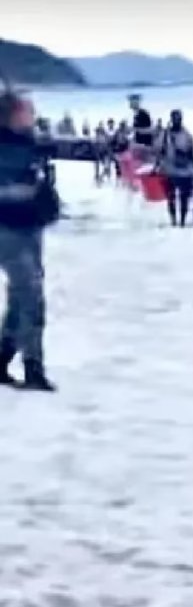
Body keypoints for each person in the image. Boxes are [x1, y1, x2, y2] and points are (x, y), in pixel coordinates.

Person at [0, 87, 60, 392]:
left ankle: (2, 359)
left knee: (20, 297)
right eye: (27, 111)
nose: (32, 116)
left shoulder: (31, 143)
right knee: (31, 295)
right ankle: (33, 367)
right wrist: (29, 192)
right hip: (6, 229)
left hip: (30, 226)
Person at [158, 109, 193, 227]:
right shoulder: (166, 135)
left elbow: (192, 153)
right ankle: (174, 220)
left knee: (184, 197)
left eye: (178, 118)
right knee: (171, 197)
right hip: (170, 170)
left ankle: (182, 221)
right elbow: (159, 151)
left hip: (184, 170)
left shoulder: (187, 135)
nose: (177, 120)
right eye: (175, 118)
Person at [129, 94, 155, 161]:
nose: (130, 103)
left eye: (132, 101)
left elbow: (150, 130)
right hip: (140, 146)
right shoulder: (136, 115)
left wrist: (135, 129)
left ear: (137, 102)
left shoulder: (143, 114)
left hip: (145, 146)